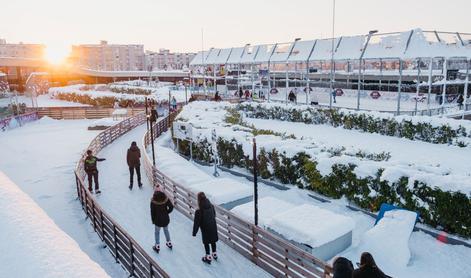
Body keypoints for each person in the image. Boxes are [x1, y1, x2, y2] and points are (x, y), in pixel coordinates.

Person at [192, 192, 219, 264]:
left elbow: (196, 223)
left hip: (205, 228)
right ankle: (214, 254)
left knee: (206, 242)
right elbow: (214, 215)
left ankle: (208, 257)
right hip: (213, 226)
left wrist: (194, 232)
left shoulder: (199, 211)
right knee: (213, 240)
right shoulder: (211, 206)